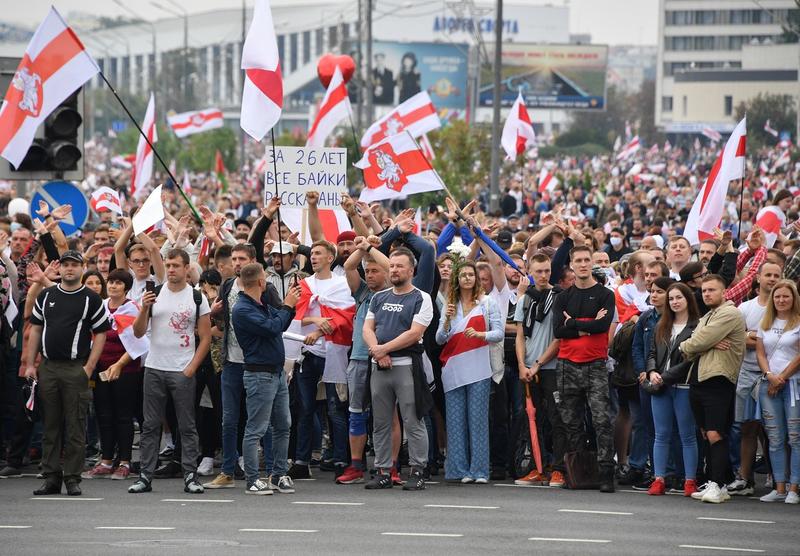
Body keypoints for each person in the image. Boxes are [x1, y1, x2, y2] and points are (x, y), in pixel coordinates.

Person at [26, 250, 111, 496]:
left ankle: (72, 478)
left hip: (76, 368)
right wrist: (31, 364)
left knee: (75, 426)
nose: (69, 269)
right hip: (49, 367)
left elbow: (101, 333)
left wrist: (89, 367)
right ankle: (51, 477)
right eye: (66, 265)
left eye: (74, 265)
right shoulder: (46, 295)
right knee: (50, 426)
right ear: (60, 269)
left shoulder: (90, 298)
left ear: (82, 268)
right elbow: (35, 330)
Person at [128, 249, 212, 495]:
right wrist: (144, 309)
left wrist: (191, 368)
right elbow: (138, 332)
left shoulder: (197, 298)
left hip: (182, 370)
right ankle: (145, 475)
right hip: (154, 367)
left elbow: (206, 338)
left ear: (187, 268)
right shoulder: (153, 293)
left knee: (187, 425)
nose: (172, 269)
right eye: (169, 265)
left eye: (177, 265)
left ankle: (190, 475)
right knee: (150, 425)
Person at [205, 243, 280, 489]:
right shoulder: (227, 286)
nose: (236, 263)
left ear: (253, 261)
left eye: (242, 259)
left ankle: (270, 470)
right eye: (234, 259)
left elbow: (277, 319)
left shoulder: (266, 289)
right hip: (231, 362)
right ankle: (227, 471)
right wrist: (214, 311)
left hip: (257, 364)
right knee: (229, 419)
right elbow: (221, 320)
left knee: (262, 421)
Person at [363, 248, 433, 490]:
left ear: (411, 270)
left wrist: (384, 350)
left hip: (406, 366)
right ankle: (383, 470)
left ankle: (417, 470)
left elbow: (414, 333)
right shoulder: (378, 297)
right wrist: (377, 350)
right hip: (379, 367)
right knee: (380, 422)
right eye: (391, 266)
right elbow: (367, 329)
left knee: (413, 420)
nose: (394, 270)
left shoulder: (421, 297)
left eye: (399, 266)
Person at [552, 245, 617, 492]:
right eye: (577, 260)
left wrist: (575, 324)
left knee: (602, 420)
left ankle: (605, 474)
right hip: (567, 365)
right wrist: (588, 324)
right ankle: (578, 472)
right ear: (571, 264)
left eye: (586, 260)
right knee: (571, 422)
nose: (582, 264)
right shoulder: (563, 297)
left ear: (592, 263)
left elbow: (602, 327)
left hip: (596, 365)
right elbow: (558, 330)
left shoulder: (605, 294)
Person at [233, 263, 300, 495]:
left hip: (276, 372)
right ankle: (252, 479)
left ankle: (278, 474)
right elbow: (273, 328)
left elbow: (280, 323)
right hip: (259, 374)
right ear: (261, 282)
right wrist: (288, 305)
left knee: (283, 424)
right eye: (266, 279)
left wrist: (288, 306)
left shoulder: (260, 304)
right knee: (256, 428)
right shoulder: (242, 309)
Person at [679, 274, 746, 504]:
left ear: (724, 292)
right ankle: (719, 482)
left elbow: (691, 344)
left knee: (715, 433)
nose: (707, 294)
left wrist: (698, 343)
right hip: (699, 378)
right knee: (705, 433)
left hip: (717, 380)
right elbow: (691, 345)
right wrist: (701, 343)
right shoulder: (708, 315)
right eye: (704, 290)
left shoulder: (729, 313)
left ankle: (717, 485)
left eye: (712, 290)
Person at [436, 260, 503, 483]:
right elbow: (439, 339)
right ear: (457, 279)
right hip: (454, 368)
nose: (467, 278)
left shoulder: (487, 303)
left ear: (476, 278)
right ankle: (458, 470)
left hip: (479, 368)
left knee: (477, 421)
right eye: (463, 275)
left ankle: (480, 471)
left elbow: (499, 333)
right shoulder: (449, 304)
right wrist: (446, 320)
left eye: (470, 274)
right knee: (455, 421)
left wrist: (481, 335)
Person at [337, 236, 392, 485]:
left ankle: (389, 466)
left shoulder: (393, 293)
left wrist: (369, 248)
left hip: (384, 358)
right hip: (359, 358)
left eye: (373, 271)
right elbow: (349, 267)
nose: (369, 275)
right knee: (356, 413)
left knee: (386, 416)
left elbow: (391, 266)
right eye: (367, 271)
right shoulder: (361, 294)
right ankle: (356, 465)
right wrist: (361, 248)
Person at [81, 269, 143, 481]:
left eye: (118, 283)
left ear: (126, 287)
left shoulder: (132, 309)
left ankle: (124, 461)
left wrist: (119, 364)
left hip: (126, 369)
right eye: (111, 282)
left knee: (123, 416)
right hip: (101, 368)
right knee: (103, 414)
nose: (113, 286)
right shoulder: (101, 306)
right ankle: (107, 460)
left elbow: (138, 342)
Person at [728, 261, 782, 496]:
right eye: (767, 274)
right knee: (747, 427)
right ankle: (745, 478)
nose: (772, 278)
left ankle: (781, 479)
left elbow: (783, 342)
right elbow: (737, 339)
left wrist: (754, 336)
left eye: (776, 275)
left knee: (776, 431)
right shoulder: (745, 308)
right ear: (758, 278)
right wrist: (758, 338)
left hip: (778, 375)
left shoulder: (786, 307)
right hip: (748, 373)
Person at [514, 253, 565, 487]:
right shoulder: (525, 298)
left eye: (546, 271)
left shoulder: (559, 297)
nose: (543, 275)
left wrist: (537, 365)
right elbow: (519, 335)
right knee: (531, 419)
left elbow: (558, 339)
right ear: (530, 273)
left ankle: (559, 469)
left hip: (550, 368)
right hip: (528, 369)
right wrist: (522, 364)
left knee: (556, 419)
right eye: (538, 272)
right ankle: (538, 467)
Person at [645, 282, 699, 497]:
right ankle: (659, 479)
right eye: (672, 299)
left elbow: (690, 360)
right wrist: (651, 373)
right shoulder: (662, 325)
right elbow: (651, 354)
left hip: (683, 386)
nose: (675, 302)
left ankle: (690, 481)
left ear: (688, 300)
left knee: (687, 436)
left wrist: (663, 377)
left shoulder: (697, 326)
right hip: (659, 387)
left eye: (679, 298)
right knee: (661, 435)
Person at [755, 279, 800, 504]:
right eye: (777, 296)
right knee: (774, 438)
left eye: (786, 296)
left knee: (795, 438)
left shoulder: (799, 322)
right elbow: (761, 354)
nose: (781, 300)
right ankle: (779, 486)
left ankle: (794, 487)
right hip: (768, 385)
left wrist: (782, 377)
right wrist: (770, 376)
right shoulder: (765, 323)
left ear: (793, 299)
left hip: (793, 386)